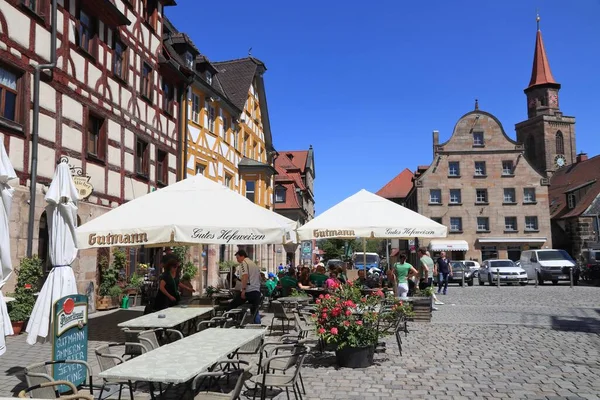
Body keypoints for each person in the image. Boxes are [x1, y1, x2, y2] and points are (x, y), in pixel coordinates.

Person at [229, 250, 262, 323]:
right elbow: (260, 278)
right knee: (255, 310)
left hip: (249, 290)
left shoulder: (244, 263)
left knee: (232, 304)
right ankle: (257, 325)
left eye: (237, 258)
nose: (237, 260)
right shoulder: (254, 264)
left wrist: (243, 290)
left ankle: (230, 322)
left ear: (242, 256)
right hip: (256, 290)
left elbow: (245, 276)